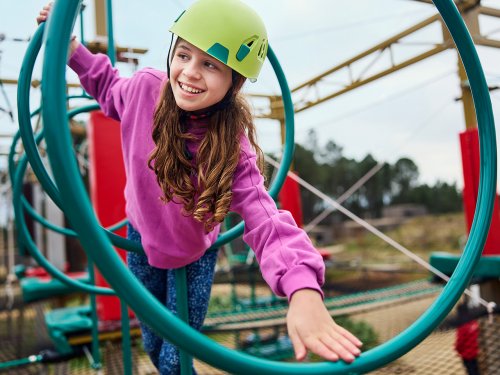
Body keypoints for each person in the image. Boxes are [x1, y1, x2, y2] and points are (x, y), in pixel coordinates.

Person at [37, 0, 363, 373]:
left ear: (234, 81)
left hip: (194, 255)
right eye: (184, 54)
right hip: (140, 240)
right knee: (153, 343)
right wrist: (72, 50)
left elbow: (265, 218)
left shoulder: (229, 146)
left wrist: (303, 288)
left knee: (176, 359)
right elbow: (108, 86)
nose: (190, 73)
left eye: (210, 64)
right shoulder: (146, 90)